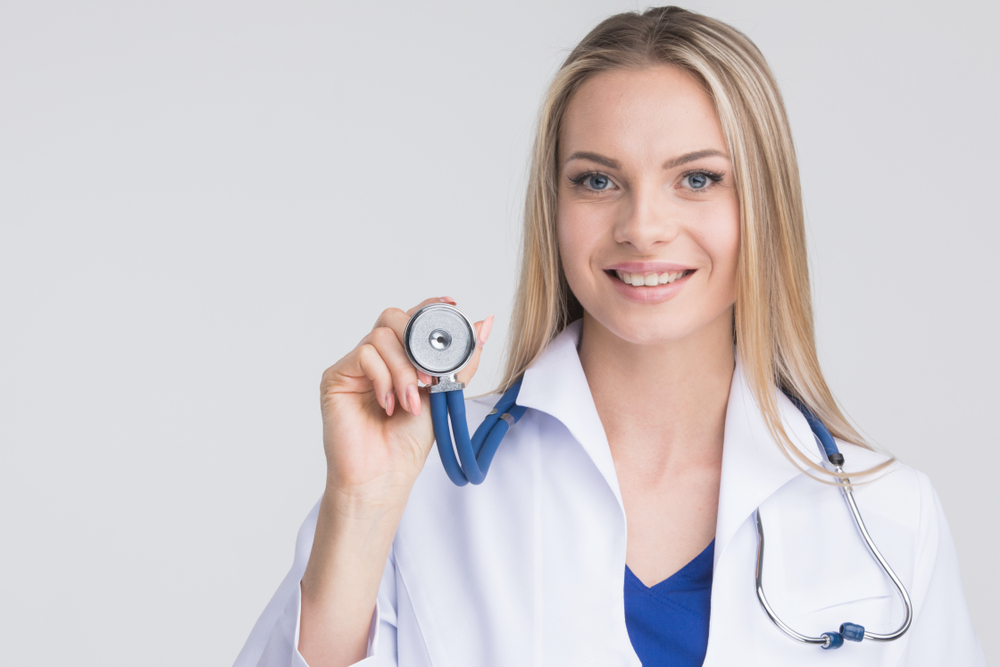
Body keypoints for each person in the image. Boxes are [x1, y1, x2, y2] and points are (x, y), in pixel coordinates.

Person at [234, 6, 985, 666]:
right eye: (597, 180)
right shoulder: (421, 486)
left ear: (762, 207)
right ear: (552, 207)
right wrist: (363, 506)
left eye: (697, 178)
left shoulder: (888, 518)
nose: (642, 227)